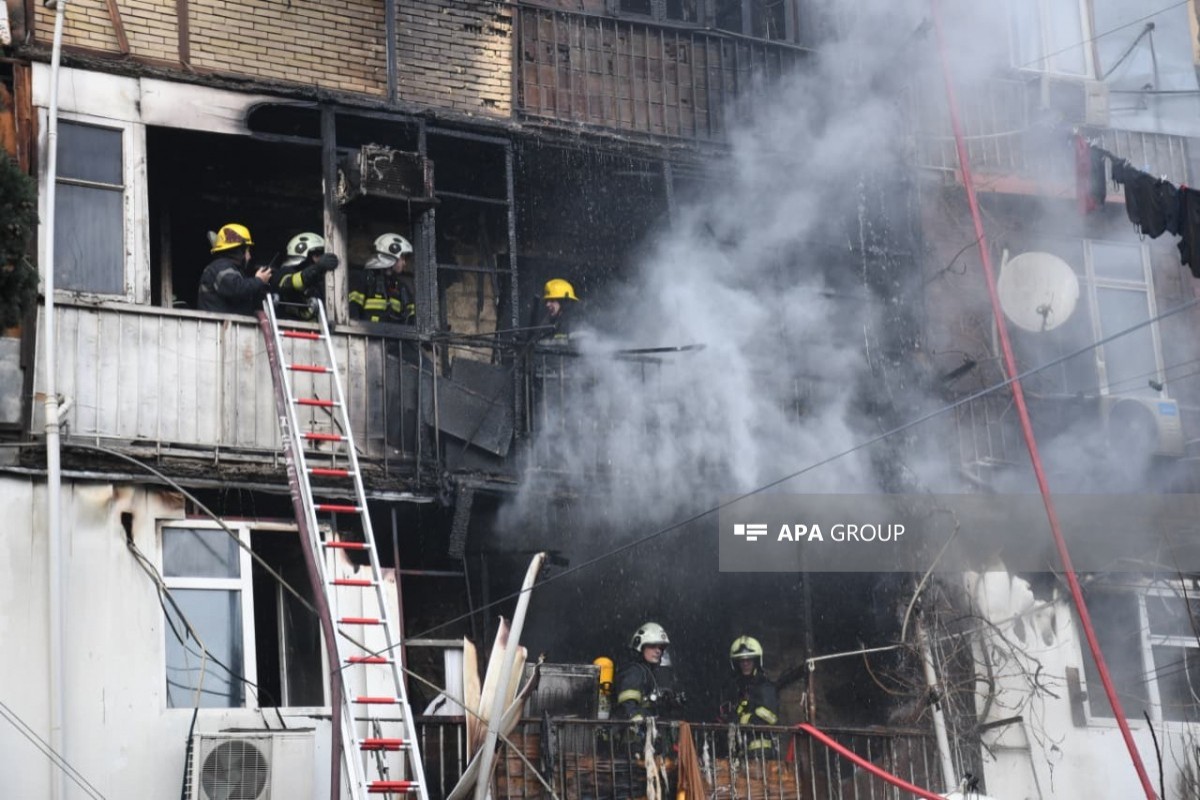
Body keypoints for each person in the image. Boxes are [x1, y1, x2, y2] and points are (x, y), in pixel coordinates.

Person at [719, 636, 780, 757]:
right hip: (741, 751)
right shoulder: (736, 687)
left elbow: (772, 718)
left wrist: (744, 719)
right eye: (742, 661)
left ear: (756, 661)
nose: (745, 664)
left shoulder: (764, 686)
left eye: (749, 660)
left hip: (762, 751)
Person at [615, 622, 684, 722]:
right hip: (634, 731)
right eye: (653, 646)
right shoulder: (635, 672)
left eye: (661, 647)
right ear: (639, 646)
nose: (658, 651)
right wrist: (639, 722)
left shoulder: (649, 673)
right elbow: (627, 708)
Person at [197, 223, 272, 315]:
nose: (250, 257)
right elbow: (236, 289)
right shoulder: (221, 267)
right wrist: (259, 280)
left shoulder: (226, 268)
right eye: (248, 251)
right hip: (218, 323)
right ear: (239, 251)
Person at [349, 233, 416, 324]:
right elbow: (352, 310)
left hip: (393, 333)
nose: (404, 263)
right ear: (391, 256)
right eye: (402, 258)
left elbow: (412, 318)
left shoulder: (401, 288)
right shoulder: (364, 279)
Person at [272, 232, 339, 320]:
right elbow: (289, 283)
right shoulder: (284, 272)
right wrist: (317, 268)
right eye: (317, 255)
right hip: (287, 324)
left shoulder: (318, 284)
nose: (320, 259)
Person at [528, 278, 578, 343]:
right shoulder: (550, 323)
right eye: (546, 301)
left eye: (552, 300)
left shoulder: (574, 324)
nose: (547, 304)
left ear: (565, 302)